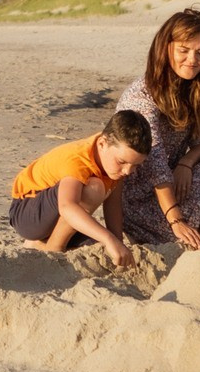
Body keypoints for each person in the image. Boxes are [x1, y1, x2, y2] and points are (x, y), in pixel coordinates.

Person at [116, 7, 200, 250]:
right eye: (184, 50)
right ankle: (175, 235)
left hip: (175, 186)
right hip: (140, 200)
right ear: (165, 48)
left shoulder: (191, 90)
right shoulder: (142, 96)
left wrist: (186, 163)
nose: (193, 60)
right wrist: (176, 219)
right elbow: (153, 161)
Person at [9, 110, 151, 267]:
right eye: (122, 162)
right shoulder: (78, 159)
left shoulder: (115, 162)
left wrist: (118, 242)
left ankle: (37, 244)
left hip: (56, 216)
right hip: (27, 214)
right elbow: (67, 207)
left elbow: (113, 204)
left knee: (97, 248)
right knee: (95, 188)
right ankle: (53, 248)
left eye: (135, 165)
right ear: (102, 144)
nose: (127, 171)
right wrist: (109, 239)